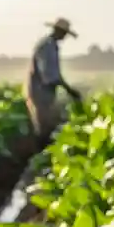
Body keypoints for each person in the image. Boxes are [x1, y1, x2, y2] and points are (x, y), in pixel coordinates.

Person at [26, 17, 83, 145]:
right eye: (64, 33)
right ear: (59, 31)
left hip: (43, 91)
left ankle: (42, 150)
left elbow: (55, 74)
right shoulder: (48, 47)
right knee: (43, 126)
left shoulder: (50, 45)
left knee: (46, 123)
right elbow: (50, 75)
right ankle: (40, 154)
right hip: (40, 91)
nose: (65, 37)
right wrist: (69, 90)